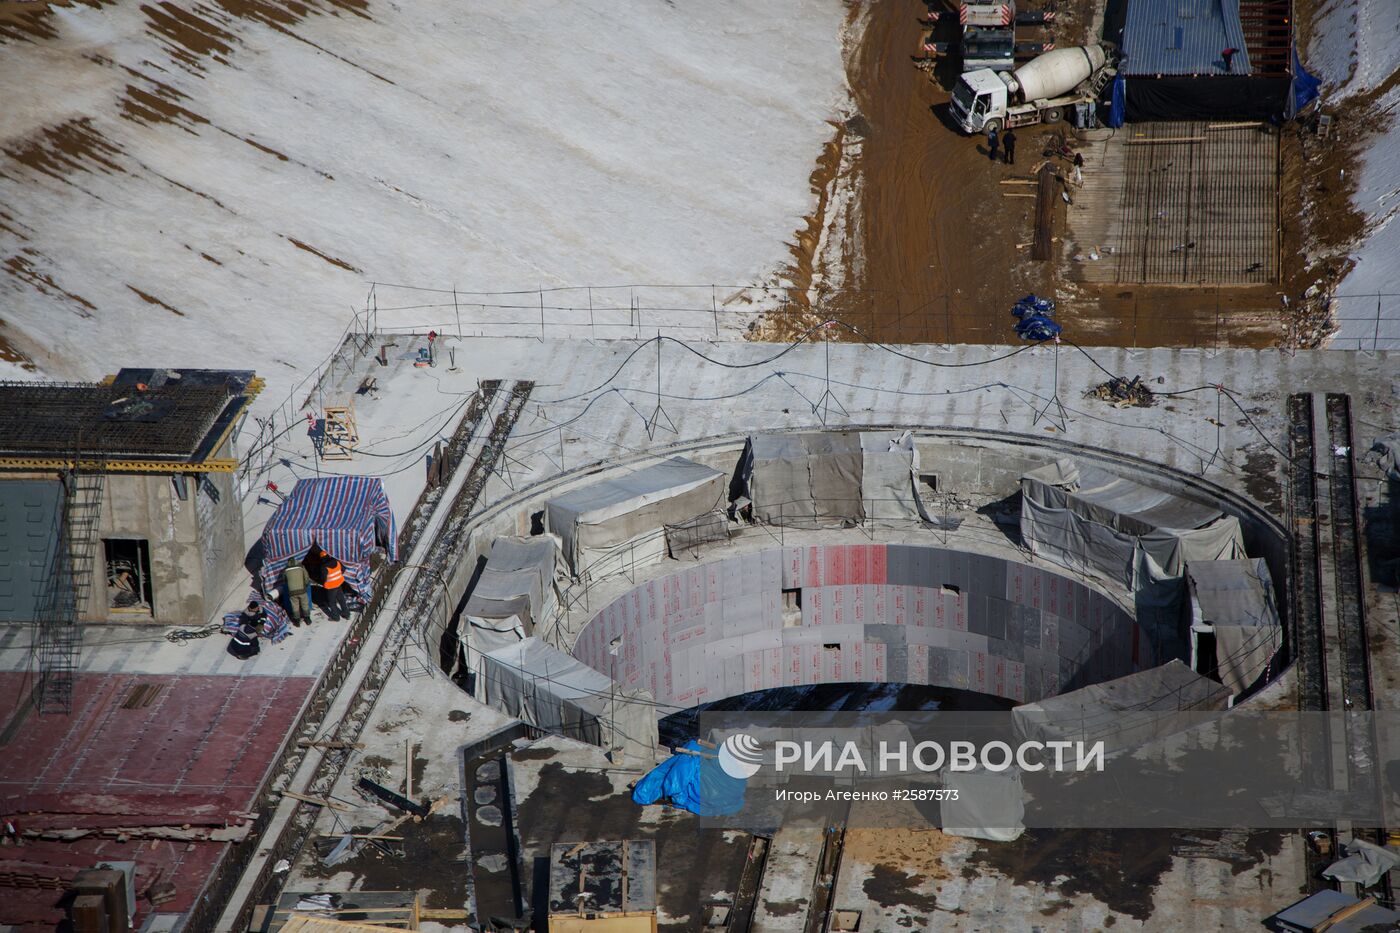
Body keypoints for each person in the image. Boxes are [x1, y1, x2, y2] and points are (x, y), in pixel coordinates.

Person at [318, 549, 348, 621]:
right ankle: (346, 614)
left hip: (331, 586)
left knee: (332, 602)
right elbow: (343, 569)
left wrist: (322, 583)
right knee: (341, 599)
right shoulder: (337, 561)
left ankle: (336, 617)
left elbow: (323, 578)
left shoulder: (324, 567)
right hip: (339, 583)